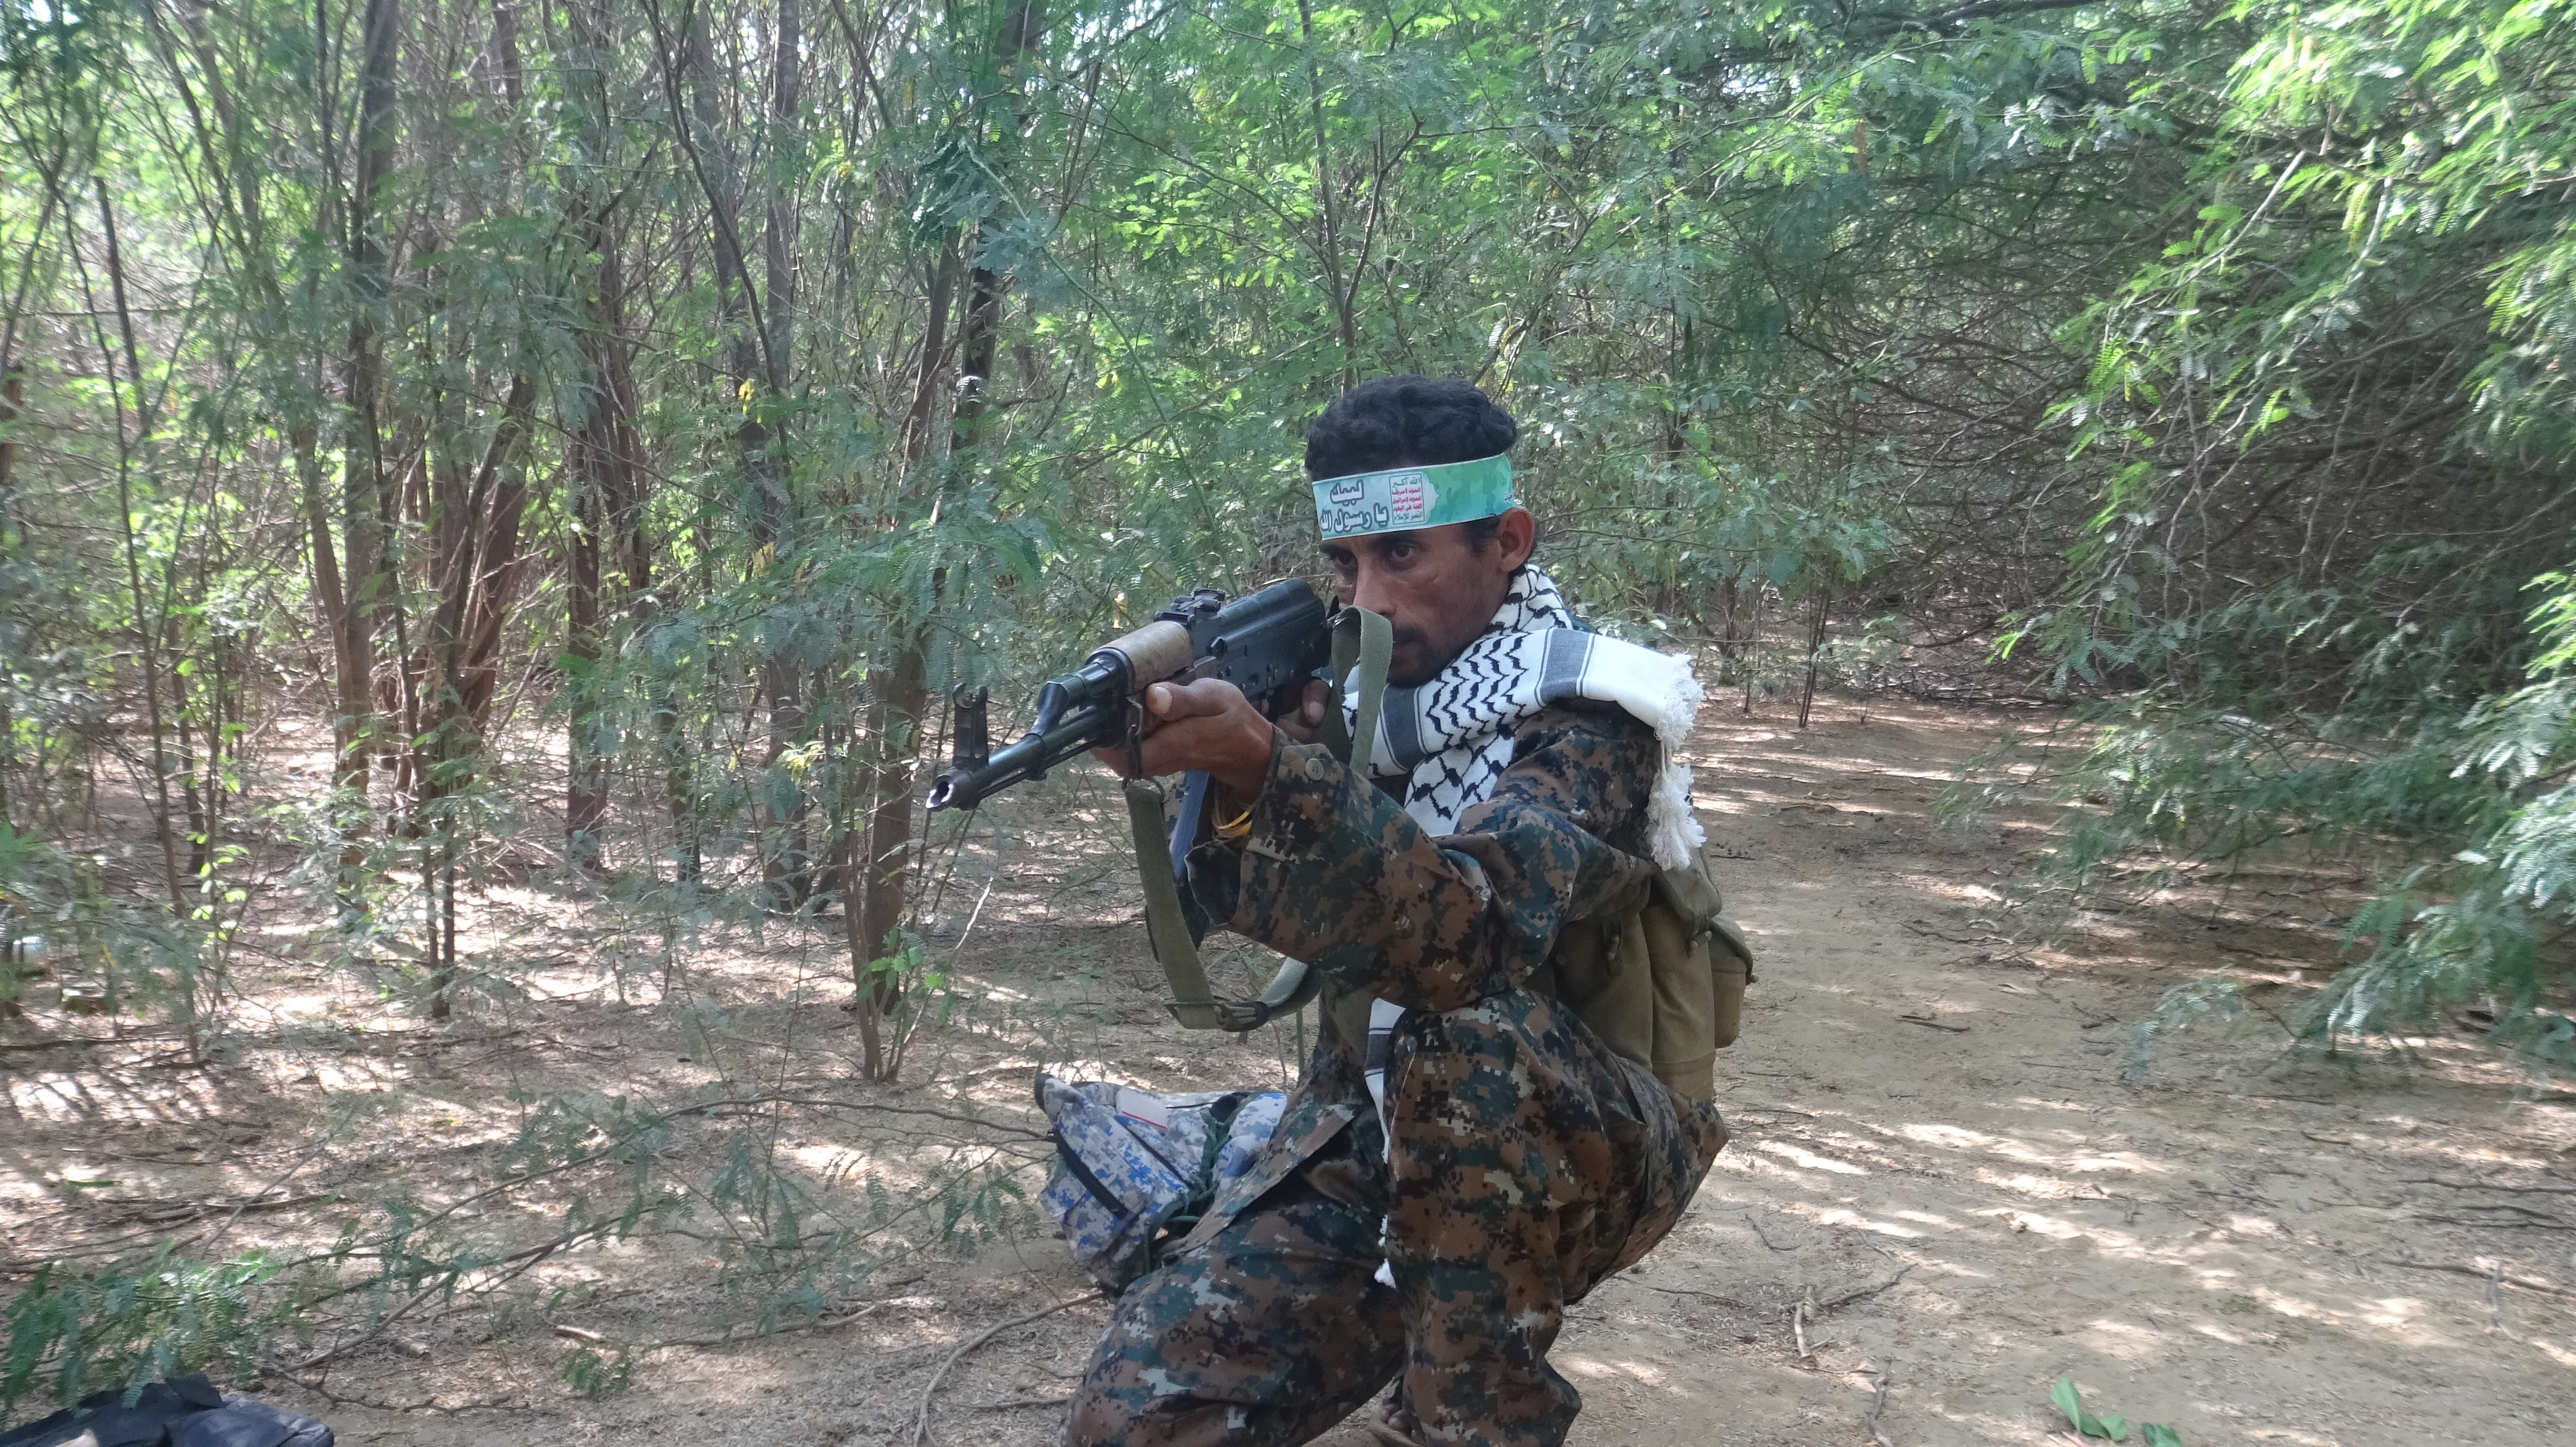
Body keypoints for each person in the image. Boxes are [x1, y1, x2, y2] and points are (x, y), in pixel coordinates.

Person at [1065, 375, 1728, 1447]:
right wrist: (1234, 778)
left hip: (1585, 1138)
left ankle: (1468, 1421)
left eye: (1403, 555)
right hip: (1372, 1129)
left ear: (1506, 541)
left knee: (1463, 1037)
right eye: (1347, 564)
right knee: (1140, 1419)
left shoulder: (1595, 715)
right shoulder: (1359, 701)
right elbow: (1248, 911)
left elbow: (1469, 941)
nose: (1367, 599)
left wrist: (1272, 765)